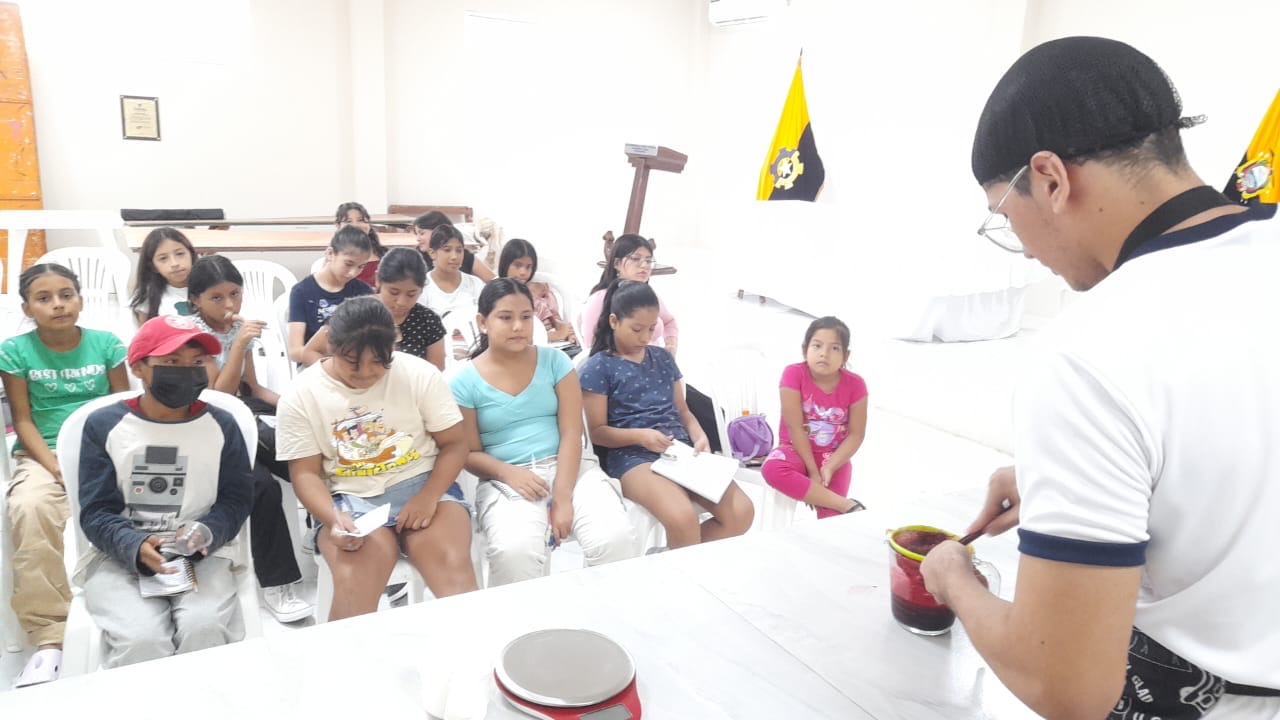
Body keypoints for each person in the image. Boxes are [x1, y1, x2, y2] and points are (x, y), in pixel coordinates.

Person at [918, 36, 1280, 719]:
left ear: (1050, 179)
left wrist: (956, 581)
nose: (1026, 251)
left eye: (1005, 215)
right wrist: (1095, 484)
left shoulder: (1089, 350)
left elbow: (1066, 684)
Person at [275, 297, 477, 620]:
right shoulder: (301, 394)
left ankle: (472, 650)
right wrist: (333, 519)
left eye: (380, 362)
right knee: (356, 583)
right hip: (349, 498)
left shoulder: (418, 374)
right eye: (352, 362)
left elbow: (455, 444)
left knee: (453, 571)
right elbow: (305, 474)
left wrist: (427, 497)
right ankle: (345, 656)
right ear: (330, 344)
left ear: (394, 346)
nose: (366, 373)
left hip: (425, 484)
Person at [76, 316, 254, 669]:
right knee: (142, 640)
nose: (186, 372)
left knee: (204, 629)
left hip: (203, 553)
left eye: (196, 361)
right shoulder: (104, 425)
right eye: (172, 361)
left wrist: (208, 530)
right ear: (138, 367)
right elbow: (95, 511)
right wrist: (132, 543)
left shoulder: (221, 424)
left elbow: (236, 498)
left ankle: (207, 697)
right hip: (118, 554)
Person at [451, 279, 635, 585]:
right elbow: (469, 454)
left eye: (525, 317)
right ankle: (523, 617)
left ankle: (606, 610)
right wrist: (510, 473)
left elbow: (572, 434)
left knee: (614, 538)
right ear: (483, 322)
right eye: (505, 317)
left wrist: (562, 496)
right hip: (506, 480)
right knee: (515, 553)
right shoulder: (463, 381)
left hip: (572, 468)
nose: (518, 326)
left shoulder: (555, 362)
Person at [0, 264, 129, 687]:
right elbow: (23, 419)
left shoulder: (107, 345)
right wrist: (54, 465)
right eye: (44, 298)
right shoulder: (14, 351)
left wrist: (104, 459)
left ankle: (133, 611)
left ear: (80, 299)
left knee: (146, 504)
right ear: (27, 308)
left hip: (105, 450)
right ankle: (50, 637)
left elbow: (124, 407)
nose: (58, 304)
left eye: (66, 294)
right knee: (29, 507)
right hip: (45, 454)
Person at [580, 280, 753, 549]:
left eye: (651, 329)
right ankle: (678, 566)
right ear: (614, 321)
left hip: (678, 451)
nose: (645, 338)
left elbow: (683, 410)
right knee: (683, 518)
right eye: (637, 329)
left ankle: (666, 560)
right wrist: (641, 437)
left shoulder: (662, 358)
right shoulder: (598, 367)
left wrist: (699, 436)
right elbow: (598, 433)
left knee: (741, 511)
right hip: (631, 457)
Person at [186, 255, 313, 622]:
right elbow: (218, 397)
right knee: (260, 486)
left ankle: (322, 530)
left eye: (235, 294)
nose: (229, 304)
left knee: (304, 455)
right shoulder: (194, 337)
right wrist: (238, 345)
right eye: (216, 298)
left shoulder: (235, 328)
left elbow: (253, 388)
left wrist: (295, 404)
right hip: (205, 421)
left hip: (244, 413)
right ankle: (278, 585)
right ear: (195, 300)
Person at [761, 316, 868, 518]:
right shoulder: (793, 374)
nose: (824, 354)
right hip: (794, 450)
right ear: (805, 350)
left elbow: (856, 435)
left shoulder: (856, 385)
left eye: (834, 348)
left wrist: (830, 466)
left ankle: (836, 505)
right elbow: (795, 428)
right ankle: (847, 505)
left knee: (831, 519)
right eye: (817, 346)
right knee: (772, 469)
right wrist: (812, 472)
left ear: (846, 355)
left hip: (834, 457)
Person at [305, 247, 446, 371]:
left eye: (411, 294)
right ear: (378, 280)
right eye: (393, 292)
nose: (401, 302)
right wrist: (340, 374)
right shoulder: (355, 312)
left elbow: (435, 370)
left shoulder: (427, 321)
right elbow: (310, 352)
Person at [287, 225, 374, 366]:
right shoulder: (302, 291)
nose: (353, 273)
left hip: (355, 365)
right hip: (314, 366)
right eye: (348, 264)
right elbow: (295, 352)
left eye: (361, 267)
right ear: (330, 253)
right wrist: (331, 367)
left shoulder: (364, 291)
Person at [579, 234, 677, 354]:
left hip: (652, 361)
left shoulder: (649, 295)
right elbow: (591, 348)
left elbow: (669, 321)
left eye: (648, 260)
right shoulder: (599, 299)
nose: (644, 265)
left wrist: (671, 346)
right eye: (635, 259)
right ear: (617, 263)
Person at [499, 238, 578, 345]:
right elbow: (509, 334)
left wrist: (568, 333)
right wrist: (555, 335)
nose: (523, 272)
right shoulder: (498, 296)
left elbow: (557, 321)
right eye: (517, 265)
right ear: (505, 264)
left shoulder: (540, 291)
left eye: (528, 267)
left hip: (551, 345)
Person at [129, 227, 197, 322]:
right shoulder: (147, 295)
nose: (174, 263)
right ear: (153, 266)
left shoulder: (209, 285)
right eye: (163, 258)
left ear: (191, 254)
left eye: (180, 254)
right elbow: (146, 330)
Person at [412, 211, 495, 281]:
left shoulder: (465, 257)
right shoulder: (415, 258)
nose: (418, 239)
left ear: (439, 230)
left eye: (422, 233)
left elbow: (493, 280)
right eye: (417, 234)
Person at [335, 201, 387, 287]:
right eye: (348, 221)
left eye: (361, 220)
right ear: (338, 226)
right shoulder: (334, 257)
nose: (356, 225)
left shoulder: (384, 254)